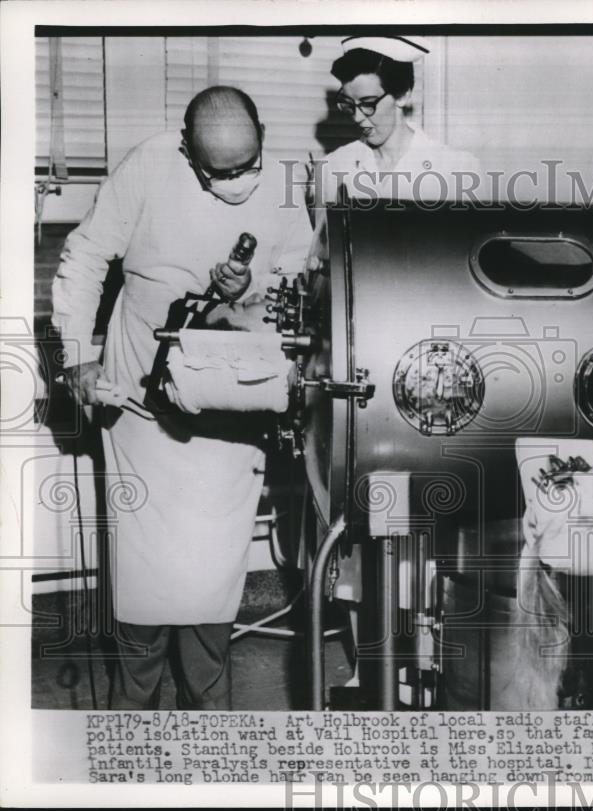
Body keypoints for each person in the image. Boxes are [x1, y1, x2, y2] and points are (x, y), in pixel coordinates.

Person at [52, 86, 313, 709]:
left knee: (210, 579)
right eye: (215, 173)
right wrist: (79, 360)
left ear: (263, 136)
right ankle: (132, 717)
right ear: (186, 150)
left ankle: (208, 717)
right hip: (143, 414)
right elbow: (85, 257)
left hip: (231, 418)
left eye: (245, 167)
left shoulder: (283, 180)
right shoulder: (147, 167)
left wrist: (252, 286)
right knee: (142, 584)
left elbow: (303, 275)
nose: (234, 184)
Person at [315, 35, 482, 204]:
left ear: (402, 95)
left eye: (367, 103)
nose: (357, 117)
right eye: (349, 104)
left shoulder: (457, 170)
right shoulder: (333, 168)